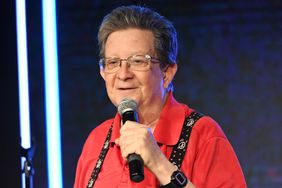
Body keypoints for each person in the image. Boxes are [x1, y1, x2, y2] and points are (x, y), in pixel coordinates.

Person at [74, 5, 246, 188]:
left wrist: (159, 163)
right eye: (113, 63)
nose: (123, 74)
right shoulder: (97, 140)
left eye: (138, 61)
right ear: (103, 72)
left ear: (167, 72)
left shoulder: (204, 136)